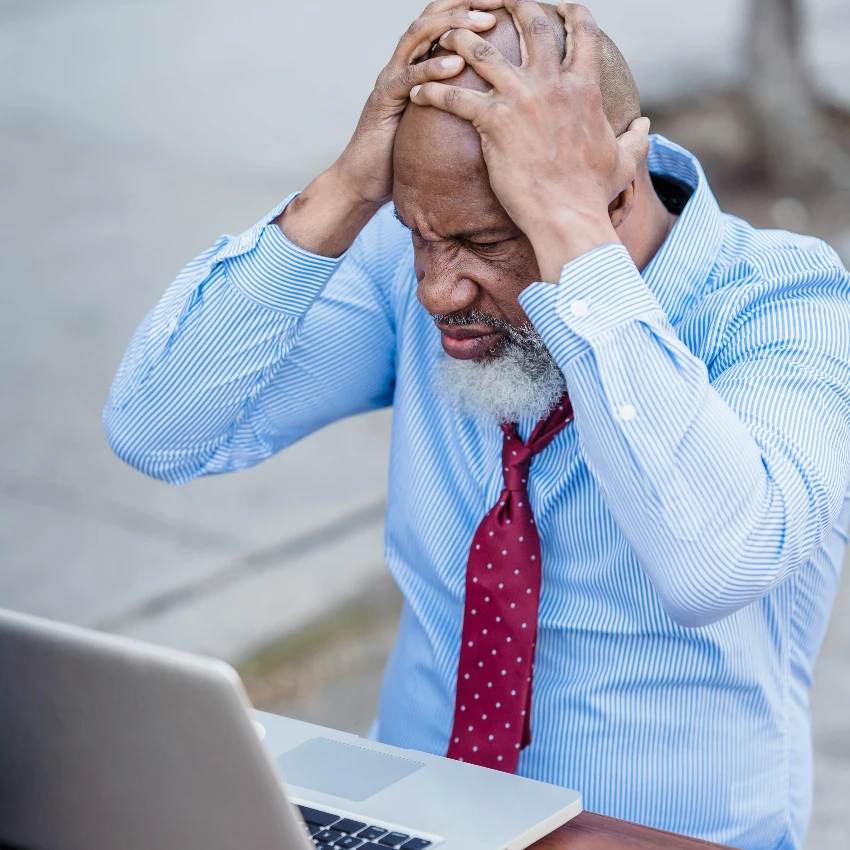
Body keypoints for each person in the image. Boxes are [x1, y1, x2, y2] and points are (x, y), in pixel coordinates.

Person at [104, 2, 850, 848]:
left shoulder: (790, 303)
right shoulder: (419, 256)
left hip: (661, 837)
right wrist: (346, 189)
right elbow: (159, 428)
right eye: (419, 237)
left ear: (615, 193)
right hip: (405, 821)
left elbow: (714, 562)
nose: (437, 290)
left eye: (487, 243)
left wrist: (573, 244)